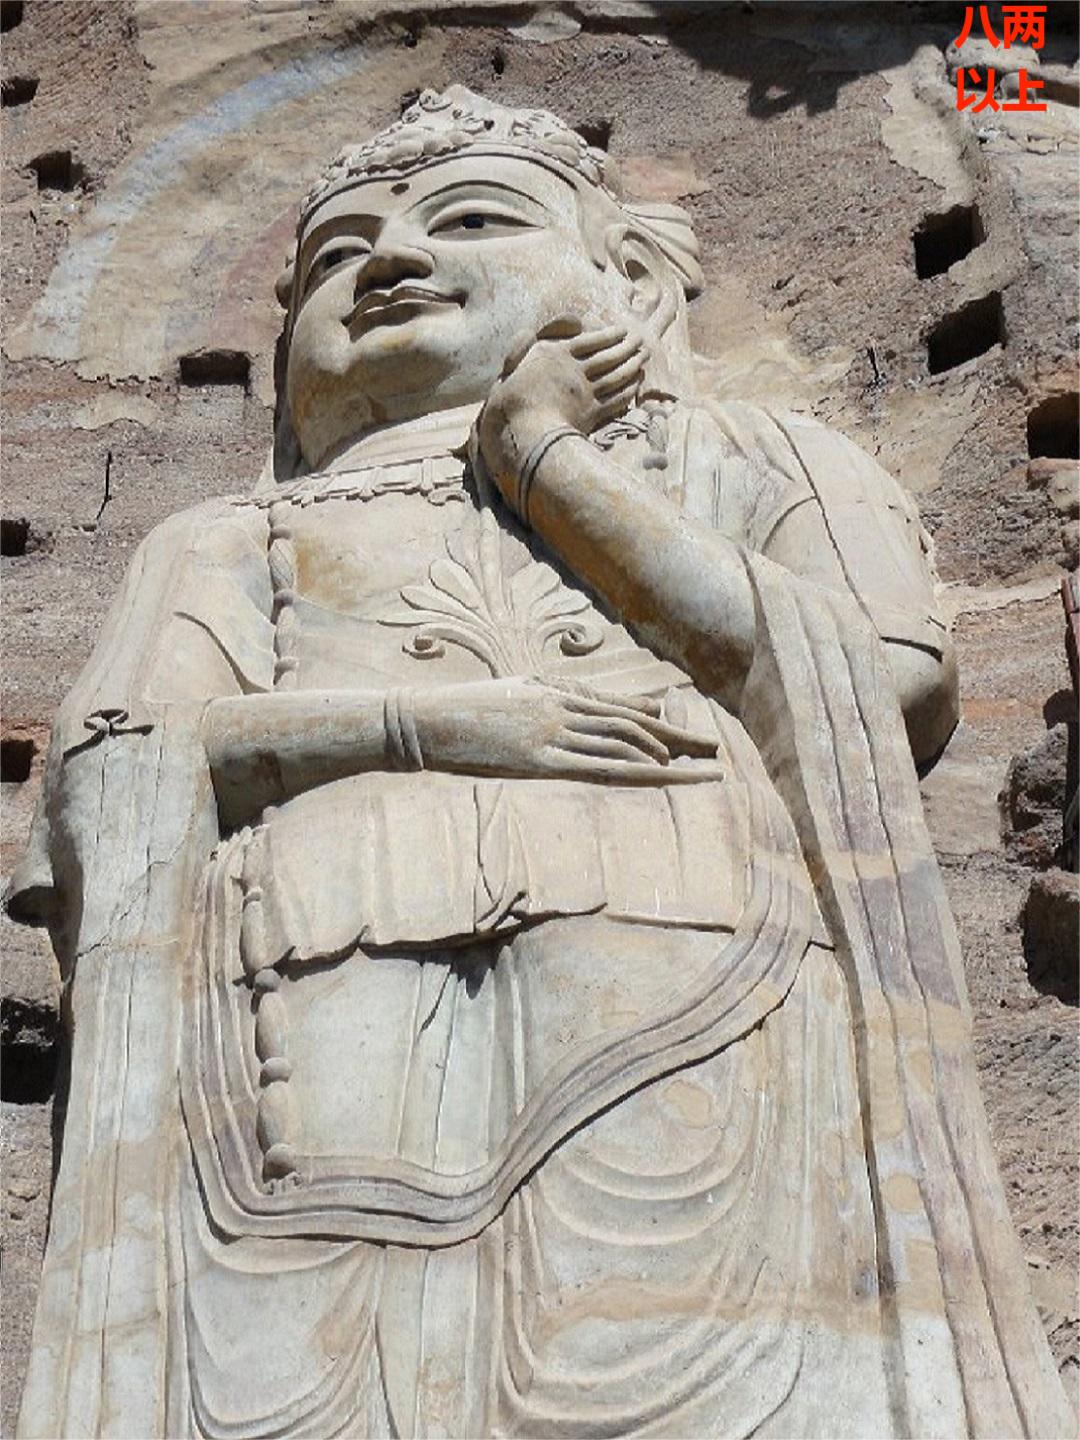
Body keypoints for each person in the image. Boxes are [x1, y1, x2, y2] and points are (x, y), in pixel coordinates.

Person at [10, 87, 1070, 1440]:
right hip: (301, 1012)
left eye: (471, 220)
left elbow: (881, 678)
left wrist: (547, 457)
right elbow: (110, 765)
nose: (392, 260)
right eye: (339, 254)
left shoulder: (749, 452)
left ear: (625, 279)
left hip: (699, 975)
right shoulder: (226, 533)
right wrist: (434, 729)